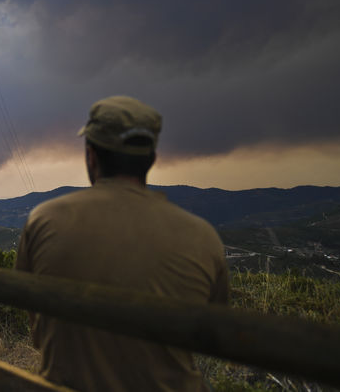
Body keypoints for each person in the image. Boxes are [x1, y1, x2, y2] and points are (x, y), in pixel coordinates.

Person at [16, 96, 229, 392]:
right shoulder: (203, 236)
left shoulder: (43, 220)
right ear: (152, 159)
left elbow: (39, 332)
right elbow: (212, 337)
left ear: (90, 155)